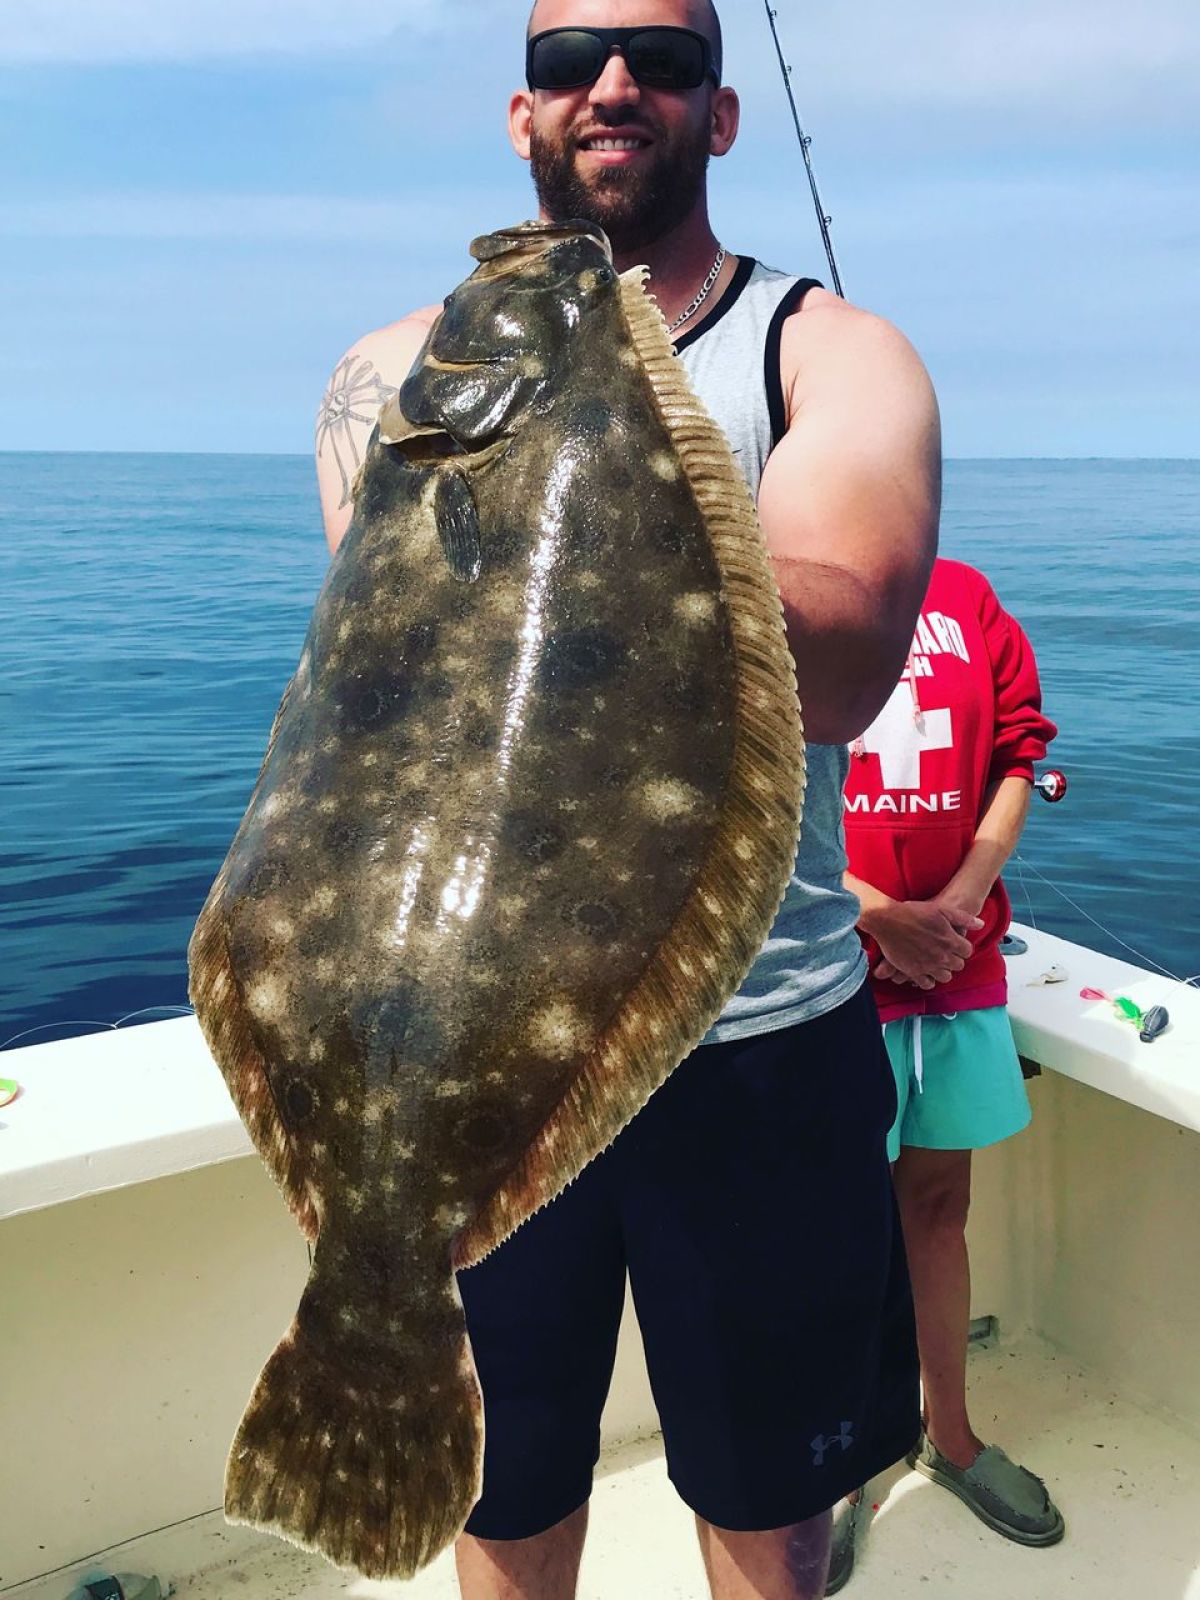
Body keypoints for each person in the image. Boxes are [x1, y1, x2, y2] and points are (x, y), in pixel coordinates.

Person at [315, 4, 941, 1596]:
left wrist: (593, 499)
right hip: (467, 1034)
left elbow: (852, 661)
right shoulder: (392, 371)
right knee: (505, 1496)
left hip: (760, 1048)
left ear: (720, 115)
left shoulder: (828, 353)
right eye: (569, 59)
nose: (610, 85)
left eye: (658, 59)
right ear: (518, 114)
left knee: (766, 1507)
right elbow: (391, 711)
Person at [827, 557, 1062, 1593]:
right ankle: (838, 1467)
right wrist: (874, 909)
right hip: (832, 977)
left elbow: (1021, 749)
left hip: (958, 971)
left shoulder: (969, 598)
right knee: (836, 1229)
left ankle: (950, 1434)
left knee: (939, 1205)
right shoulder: (781, 597)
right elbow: (733, 783)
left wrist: (959, 904)